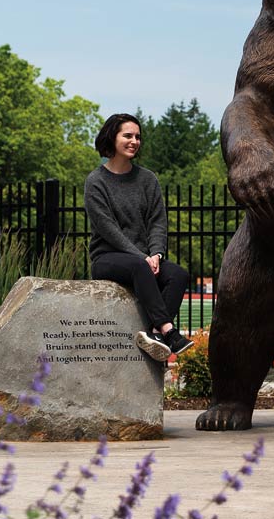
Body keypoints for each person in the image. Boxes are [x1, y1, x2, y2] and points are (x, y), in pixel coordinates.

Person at [85, 112, 194, 362]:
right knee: (138, 267)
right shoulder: (96, 181)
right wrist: (142, 257)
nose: (134, 141)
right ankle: (170, 332)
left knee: (179, 274)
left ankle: (154, 335)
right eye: (127, 135)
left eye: (138, 137)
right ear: (112, 138)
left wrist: (156, 254)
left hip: (145, 258)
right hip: (108, 256)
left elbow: (157, 221)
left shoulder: (147, 179)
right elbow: (108, 229)